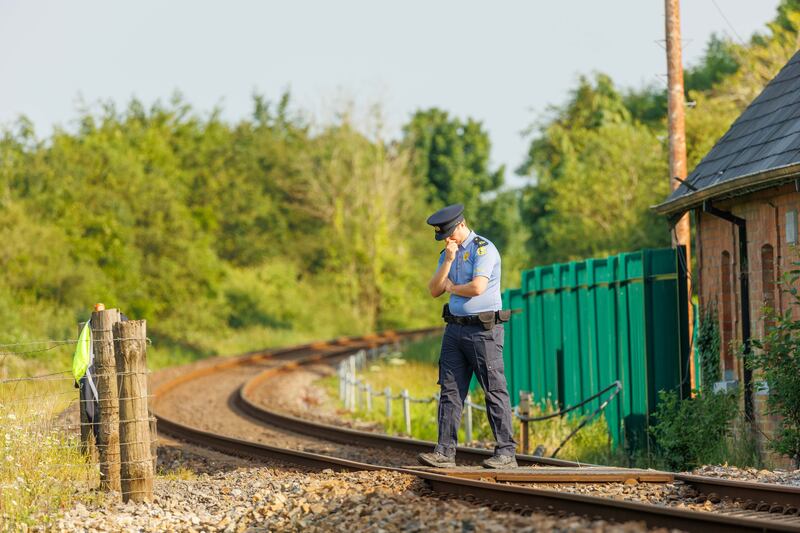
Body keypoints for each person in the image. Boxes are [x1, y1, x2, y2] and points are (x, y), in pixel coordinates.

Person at [418, 203, 517, 469]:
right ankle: (444, 452)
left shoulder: (483, 249)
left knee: (494, 390)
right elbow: (434, 289)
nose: (447, 239)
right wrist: (448, 261)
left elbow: (477, 287)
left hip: (483, 330)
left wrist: (453, 287)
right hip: (454, 330)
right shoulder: (447, 253)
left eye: (449, 233)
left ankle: (506, 452)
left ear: (461, 225)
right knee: (449, 391)